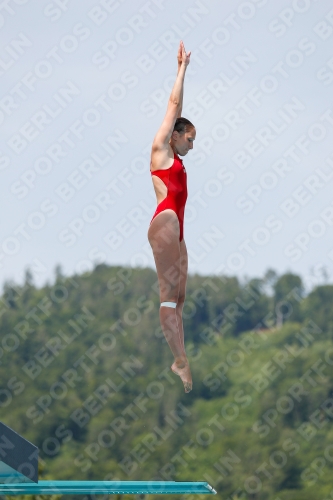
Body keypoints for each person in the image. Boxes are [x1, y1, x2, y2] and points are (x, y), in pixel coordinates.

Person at [147, 41, 196, 393]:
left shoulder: (177, 162)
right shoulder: (161, 151)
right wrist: (181, 69)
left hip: (176, 229)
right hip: (165, 222)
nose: (192, 146)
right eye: (190, 139)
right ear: (175, 136)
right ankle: (179, 361)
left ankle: (180, 357)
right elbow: (174, 105)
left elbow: (180, 112)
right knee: (167, 297)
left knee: (180, 298)